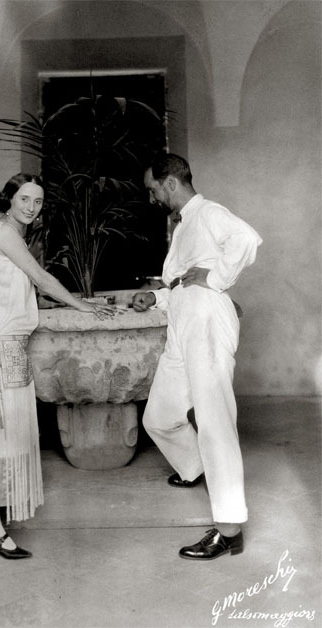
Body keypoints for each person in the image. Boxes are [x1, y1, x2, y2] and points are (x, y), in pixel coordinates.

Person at [0, 173, 114, 559]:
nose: (31, 208)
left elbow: (13, 287)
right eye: (24, 199)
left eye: (37, 202)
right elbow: (38, 277)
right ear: (9, 198)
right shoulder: (5, 233)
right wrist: (82, 305)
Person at [133, 154, 262, 560]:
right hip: (183, 324)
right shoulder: (185, 224)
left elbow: (247, 238)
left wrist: (217, 278)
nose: (153, 198)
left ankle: (228, 529)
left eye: (153, 189)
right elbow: (182, 283)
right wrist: (154, 297)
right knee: (159, 416)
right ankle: (197, 468)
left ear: (170, 182)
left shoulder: (207, 212)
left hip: (206, 323)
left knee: (215, 422)